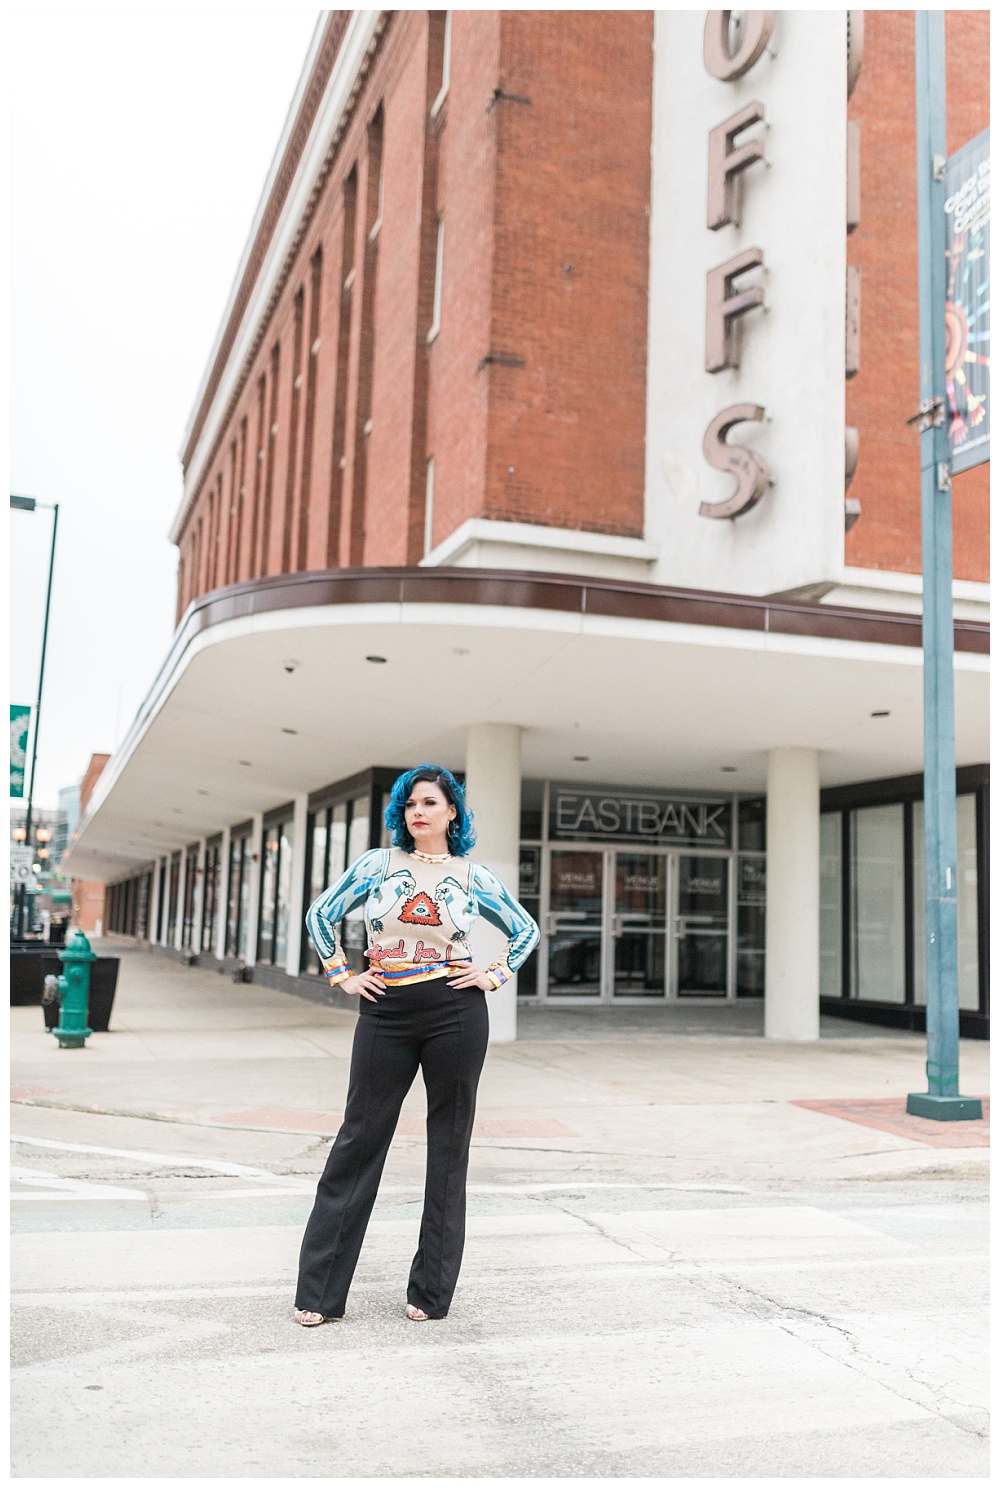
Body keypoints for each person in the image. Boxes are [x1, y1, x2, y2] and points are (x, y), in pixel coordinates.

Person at [294, 764, 539, 1325]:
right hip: (385, 1011)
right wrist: (342, 975)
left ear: (452, 813)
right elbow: (321, 913)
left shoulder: (474, 877)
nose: (418, 812)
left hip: (456, 1011)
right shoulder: (378, 865)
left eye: (430, 803)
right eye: (410, 805)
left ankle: (430, 1293)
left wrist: (493, 975)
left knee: (449, 1149)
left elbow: (525, 930)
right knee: (358, 1139)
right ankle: (319, 1294)